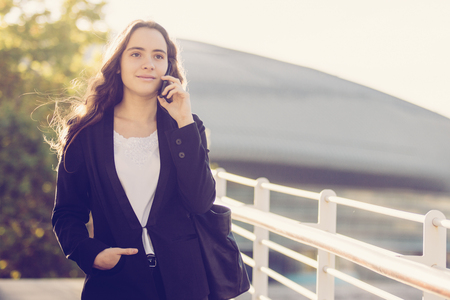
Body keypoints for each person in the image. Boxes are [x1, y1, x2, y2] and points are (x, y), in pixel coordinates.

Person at [50, 19, 216, 300]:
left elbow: (200, 201)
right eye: (136, 53)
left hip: (184, 284)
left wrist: (184, 121)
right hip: (115, 283)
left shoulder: (187, 126)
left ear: (168, 67)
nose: (148, 63)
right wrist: (92, 254)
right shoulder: (85, 132)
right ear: (118, 63)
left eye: (158, 56)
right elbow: (66, 213)